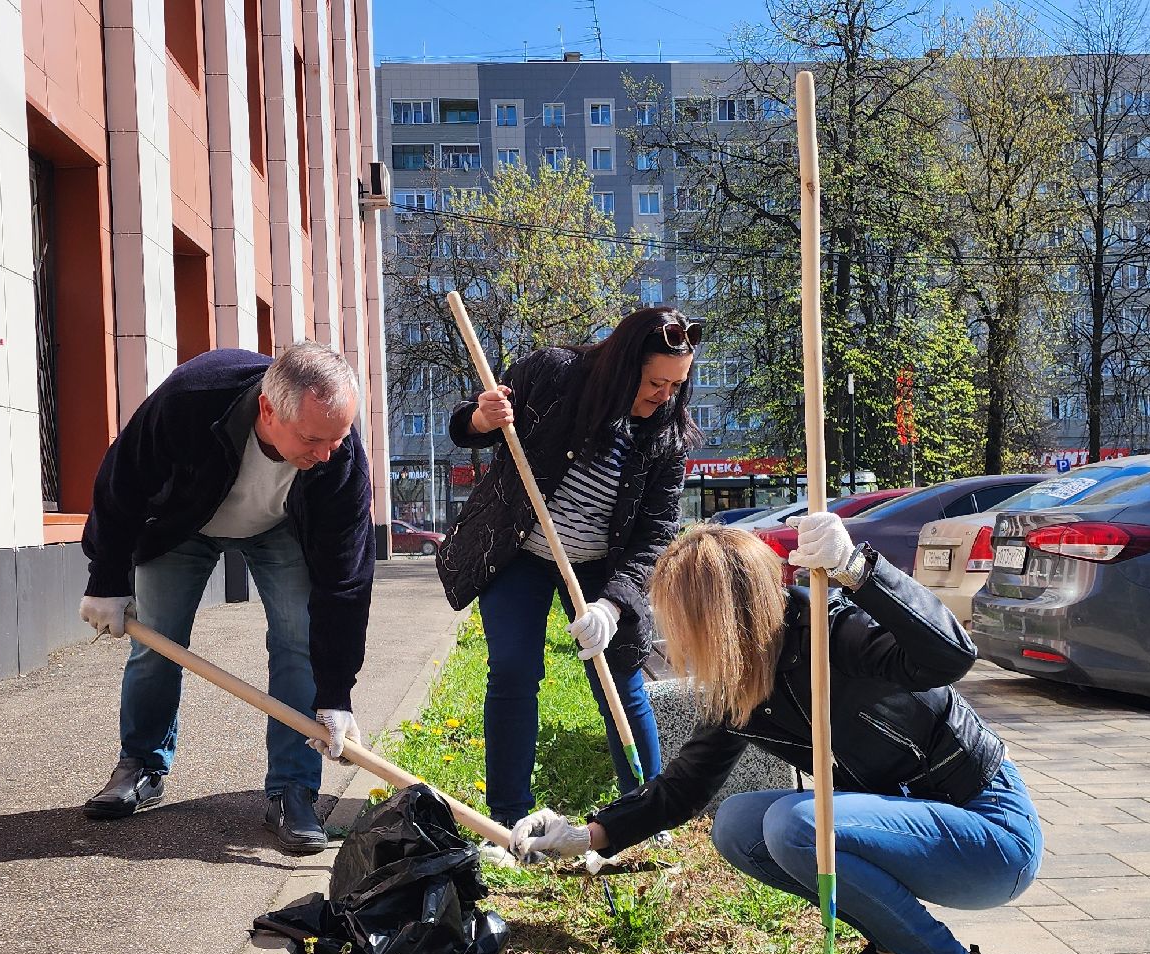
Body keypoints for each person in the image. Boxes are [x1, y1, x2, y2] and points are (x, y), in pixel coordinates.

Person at [507, 515, 1044, 954]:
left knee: (798, 826)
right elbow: (683, 788)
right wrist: (585, 835)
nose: (671, 637)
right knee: (737, 825)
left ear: (716, 616)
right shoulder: (743, 678)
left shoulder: (831, 631)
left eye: (679, 619)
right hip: (909, 824)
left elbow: (951, 655)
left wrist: (859, 570)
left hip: (989, 834)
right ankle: (893, 942)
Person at [76, 341, 376, 855]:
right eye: (312, 439)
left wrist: (336, 694)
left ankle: (292, 790)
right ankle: (141, 765)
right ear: (268, 410)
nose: (327, 453)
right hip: (183, 525)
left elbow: (344, 581)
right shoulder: (193, 398)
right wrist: (106, 577)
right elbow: (121, 481)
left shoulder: (338, 457)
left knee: (298, 641)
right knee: (157, 643)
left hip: (281, 528)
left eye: (338, 437)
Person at [437, 307, 702, 827]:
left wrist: (613, 605)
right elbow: (470, 427)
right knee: (514, 671)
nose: (664, 395)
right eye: (656, 382)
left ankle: (646, 816)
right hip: (519, 551)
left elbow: (654, 536)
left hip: (602, 567)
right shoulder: (552, 374)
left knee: (620, 679)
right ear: (624, 365)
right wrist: (482, 418)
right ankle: (508, 819)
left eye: (676, 385)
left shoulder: (668, 437)